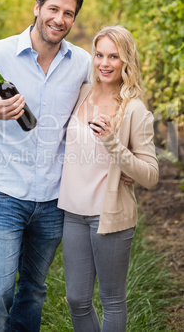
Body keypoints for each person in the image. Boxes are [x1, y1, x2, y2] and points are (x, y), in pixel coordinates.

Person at [0, 0, 92, 332]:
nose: (60, 19)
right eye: (54, 9)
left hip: (53, 197)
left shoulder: (82, 64)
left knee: (34, 290)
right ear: (37, 8)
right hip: (4, 192)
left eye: (69, 14)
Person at [58, 25, 159, 332]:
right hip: (73, 212)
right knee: (76, 299)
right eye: (99, 54)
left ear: (126, 60)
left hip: (108, 215)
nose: (104, 63)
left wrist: (114, 142)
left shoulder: (135, 110)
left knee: (112, 299)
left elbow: (151, 175)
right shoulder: (82, 92)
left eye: (113, 56)